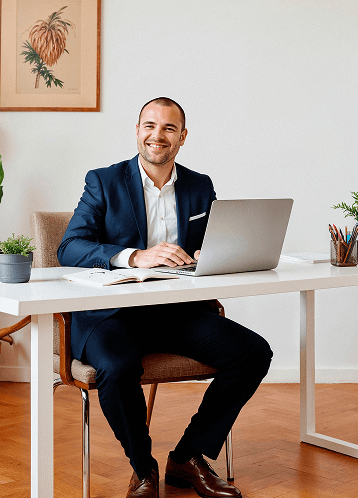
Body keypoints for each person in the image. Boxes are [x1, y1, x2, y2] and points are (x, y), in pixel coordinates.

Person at [58, 97, 273, 498]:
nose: (159, 135)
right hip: (113, 315)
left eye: (169, 128)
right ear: (137, 131)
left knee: (253, 352)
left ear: (183, 137)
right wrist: (135, 257)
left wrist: (214, 254)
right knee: (117, 368)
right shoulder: (103, 181)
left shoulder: (199, 185)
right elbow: (69, 247)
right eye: (150, 126)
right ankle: (143, 469)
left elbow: (213, 242)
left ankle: (188, 458)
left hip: (178, 311)